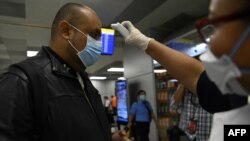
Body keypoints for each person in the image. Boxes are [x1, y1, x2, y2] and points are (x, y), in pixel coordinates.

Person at [114, 0, 250, 140]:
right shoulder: (238, 93)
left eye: (221, 27)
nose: (213, 42)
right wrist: (145, 43)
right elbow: (197, 76)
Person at [0, 2, 129, 141]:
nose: (100, 43)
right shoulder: (22, 81)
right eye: (94, 35)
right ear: (66, 31)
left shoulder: (83, 81)